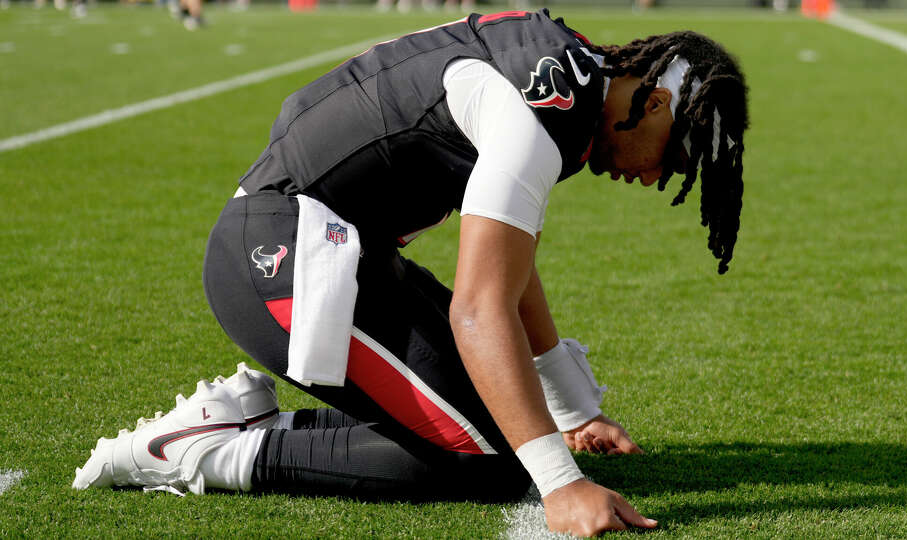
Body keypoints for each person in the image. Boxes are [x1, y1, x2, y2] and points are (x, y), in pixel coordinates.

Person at [73, 9, 748, 537]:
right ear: (655, 104)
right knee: (494, 458)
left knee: (512, 418)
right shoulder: (543, 114)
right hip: (279, 264)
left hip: (335, 253)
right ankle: (202, 452)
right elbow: (481, 310)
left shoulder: (563, 72)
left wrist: (573, 410)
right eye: (675, 161)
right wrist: (561, 481)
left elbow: (513, 271)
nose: (655, 178)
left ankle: (247, 423)